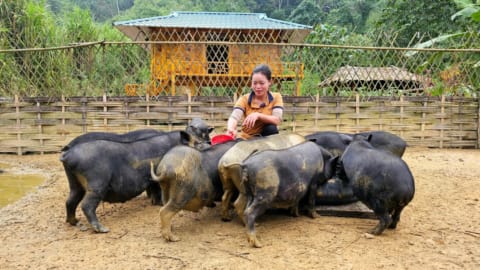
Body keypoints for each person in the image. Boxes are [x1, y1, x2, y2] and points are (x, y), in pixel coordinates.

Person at [226, 64, 284, 140]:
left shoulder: (276, 97)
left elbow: (277, 119)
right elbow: (234, 116)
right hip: (247, 139)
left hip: (266, 139)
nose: (258, 87)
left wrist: (258, 115)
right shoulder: (244, 99)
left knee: (271, 128)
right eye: (255, 83)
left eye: (262, 83)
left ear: (269, 82)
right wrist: (231, 128)